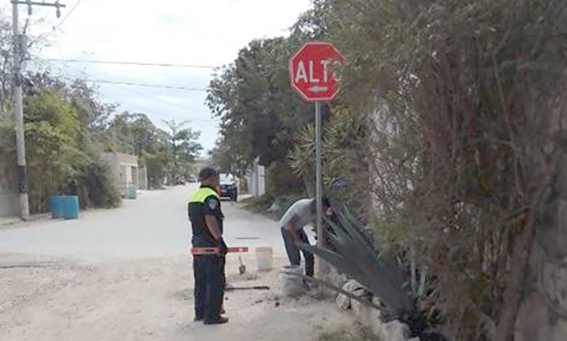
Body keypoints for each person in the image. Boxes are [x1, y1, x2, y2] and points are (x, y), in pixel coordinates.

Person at [188, 167, 229, 325]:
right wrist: (219, 240)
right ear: (210, 178)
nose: (218, 180)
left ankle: (200, 312)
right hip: (209, 243)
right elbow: (210, 218)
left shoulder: (195, 196)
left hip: (197, 242)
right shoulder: (210, 196)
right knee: (215, 280)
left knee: (200, 280)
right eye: (216, 177)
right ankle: (212, 316)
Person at [280, 197, 332, 277]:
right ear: (319, 205)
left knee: (309, 254)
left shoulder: (315, 210)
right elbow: (290, 223)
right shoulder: (304, 207)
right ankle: (296, 280)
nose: (323, 212)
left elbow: (319, 224)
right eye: (323, 209)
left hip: (298, 227)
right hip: (288, 228)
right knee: (295, 257)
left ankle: (309, 278)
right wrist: (296, 239)